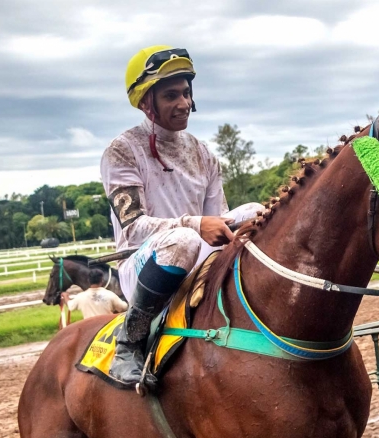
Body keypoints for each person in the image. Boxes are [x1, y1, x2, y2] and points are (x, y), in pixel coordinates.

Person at [102, 45, 264, 385]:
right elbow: (132, 230)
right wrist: (194, 224)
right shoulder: (122, 150)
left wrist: (221, 226)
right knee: (183, 240)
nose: (183, 103)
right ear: (148, 103)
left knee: (255, 211)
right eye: (171, 95)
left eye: (186, 93)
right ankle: (129, 343)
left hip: (195, 253)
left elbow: (217, 219)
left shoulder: (203, 152)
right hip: (144, 263)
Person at [60, 269, 128, 319]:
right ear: (102, 280)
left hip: (89, 329)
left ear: (89, 280)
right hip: (106, 328)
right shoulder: (110, 295)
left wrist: (65, 296)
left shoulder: (81, 296)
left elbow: (70, 306)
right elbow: (123, 307)